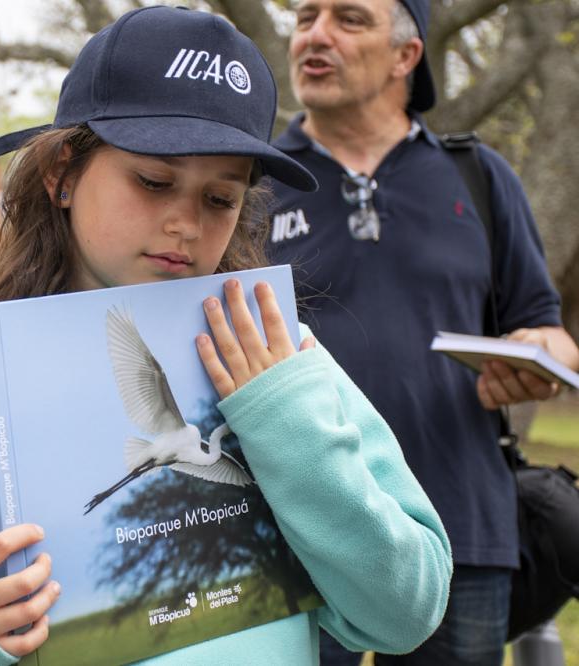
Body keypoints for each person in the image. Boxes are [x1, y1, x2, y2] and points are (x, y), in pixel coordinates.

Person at [0, 6, 452, 664]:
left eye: (219, 199)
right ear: (62, 175)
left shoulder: (280, 359)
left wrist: (288, 420)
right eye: (154, 181)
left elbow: (406, 610)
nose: (184, 223)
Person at [265, 1, 579, 665]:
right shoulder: (251, 183)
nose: (316, 35)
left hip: (460, 530)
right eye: (305, 16)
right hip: (298, 535)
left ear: (407, 56)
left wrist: (540, 356)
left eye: (348, 19)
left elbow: (545, 328)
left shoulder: (480, 176)